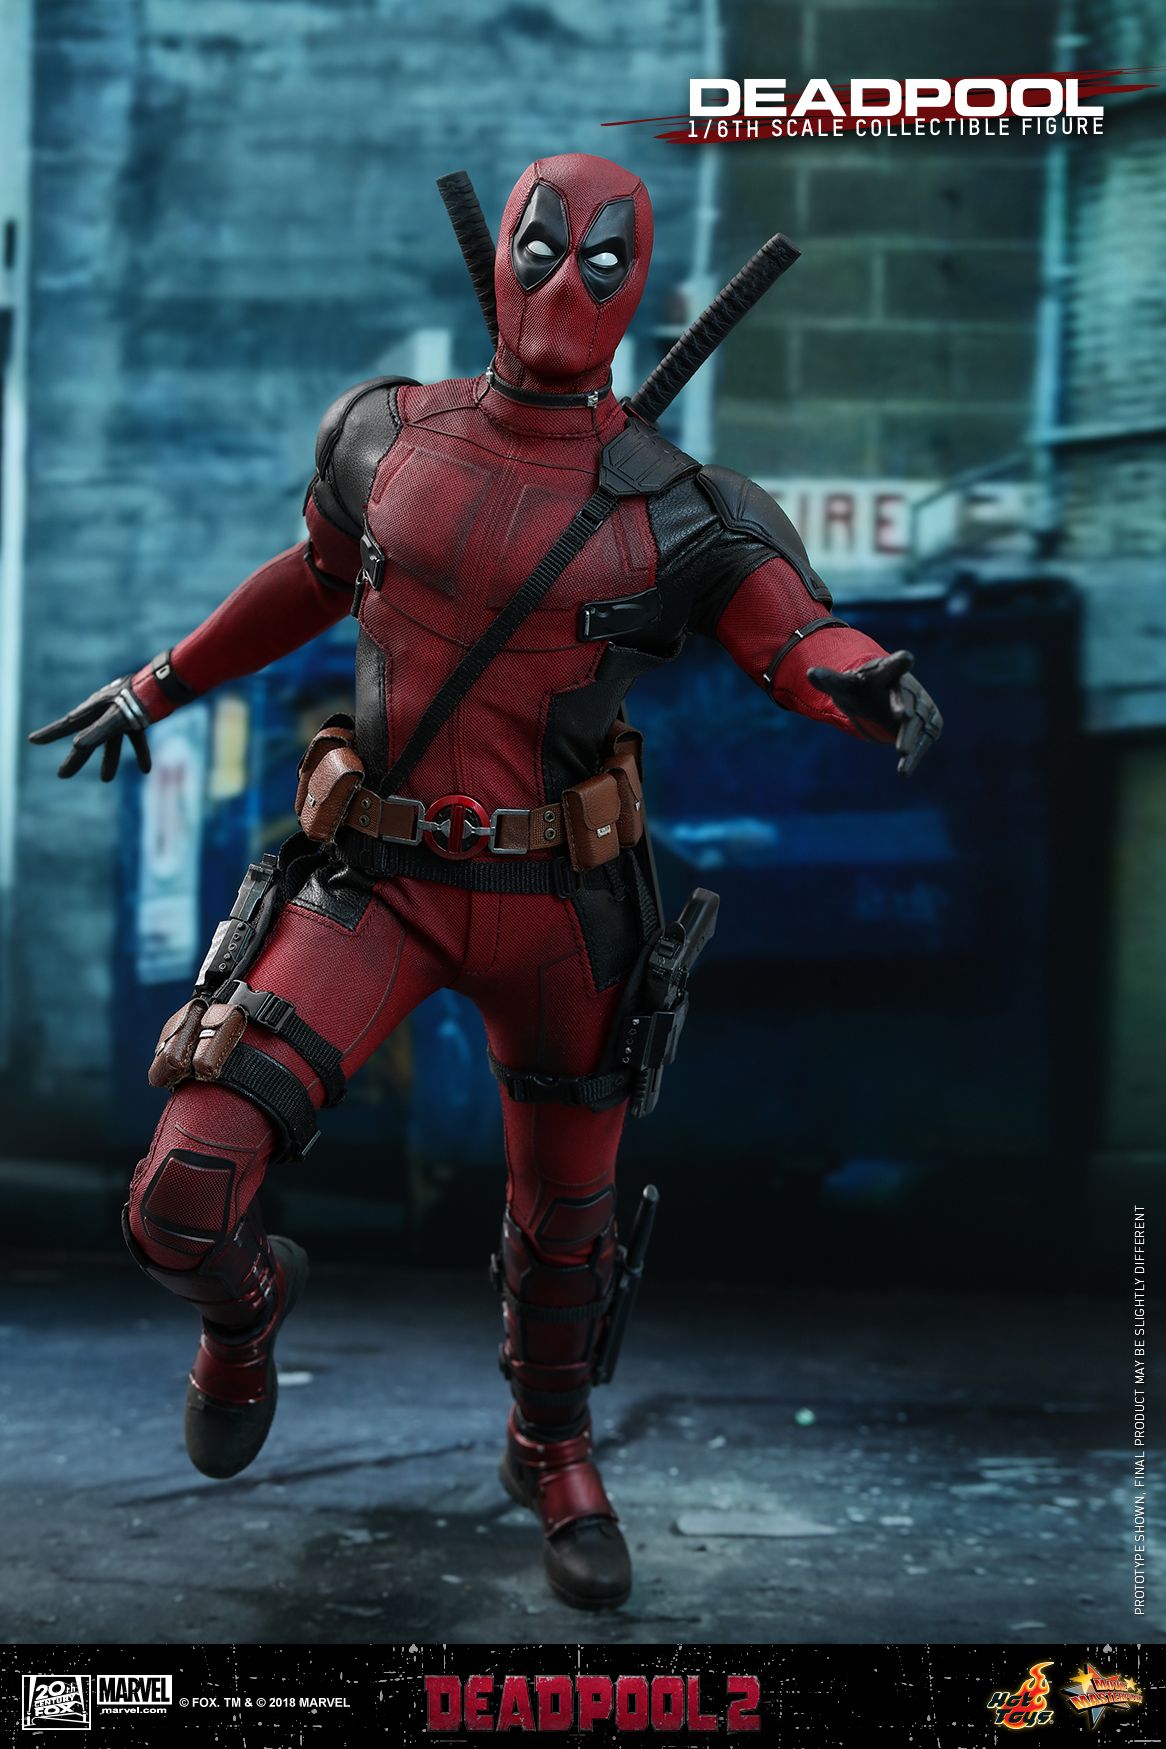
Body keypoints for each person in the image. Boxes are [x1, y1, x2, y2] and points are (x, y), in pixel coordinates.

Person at [30, 152, 942, 1611]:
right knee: (181, 1197)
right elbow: (311, 576)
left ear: (638, 290)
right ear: (498, 253)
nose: (565, 282)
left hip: (565, 913)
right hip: (376, 880)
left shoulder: (686, 509)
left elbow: (790, 636)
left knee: (565, 1235)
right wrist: (156, 683)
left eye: (603, 260)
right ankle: (246, 1319)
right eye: (542, 245)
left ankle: (554, 1450)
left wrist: (863, 680)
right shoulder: (383, 435)